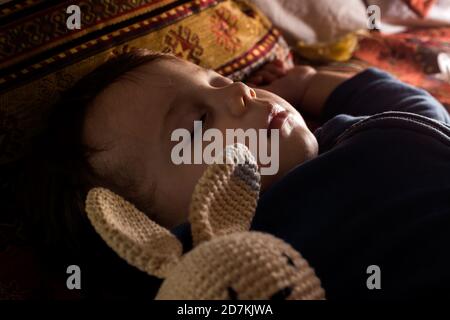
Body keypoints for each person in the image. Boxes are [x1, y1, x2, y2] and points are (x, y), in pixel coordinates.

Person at [17, 48, 450, 299]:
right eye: (199, 124)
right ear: (146, 232)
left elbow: (420, 111)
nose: (242, 90)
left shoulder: (350, 136)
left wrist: (306, 80)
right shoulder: (223, 274)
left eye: (220, 80)